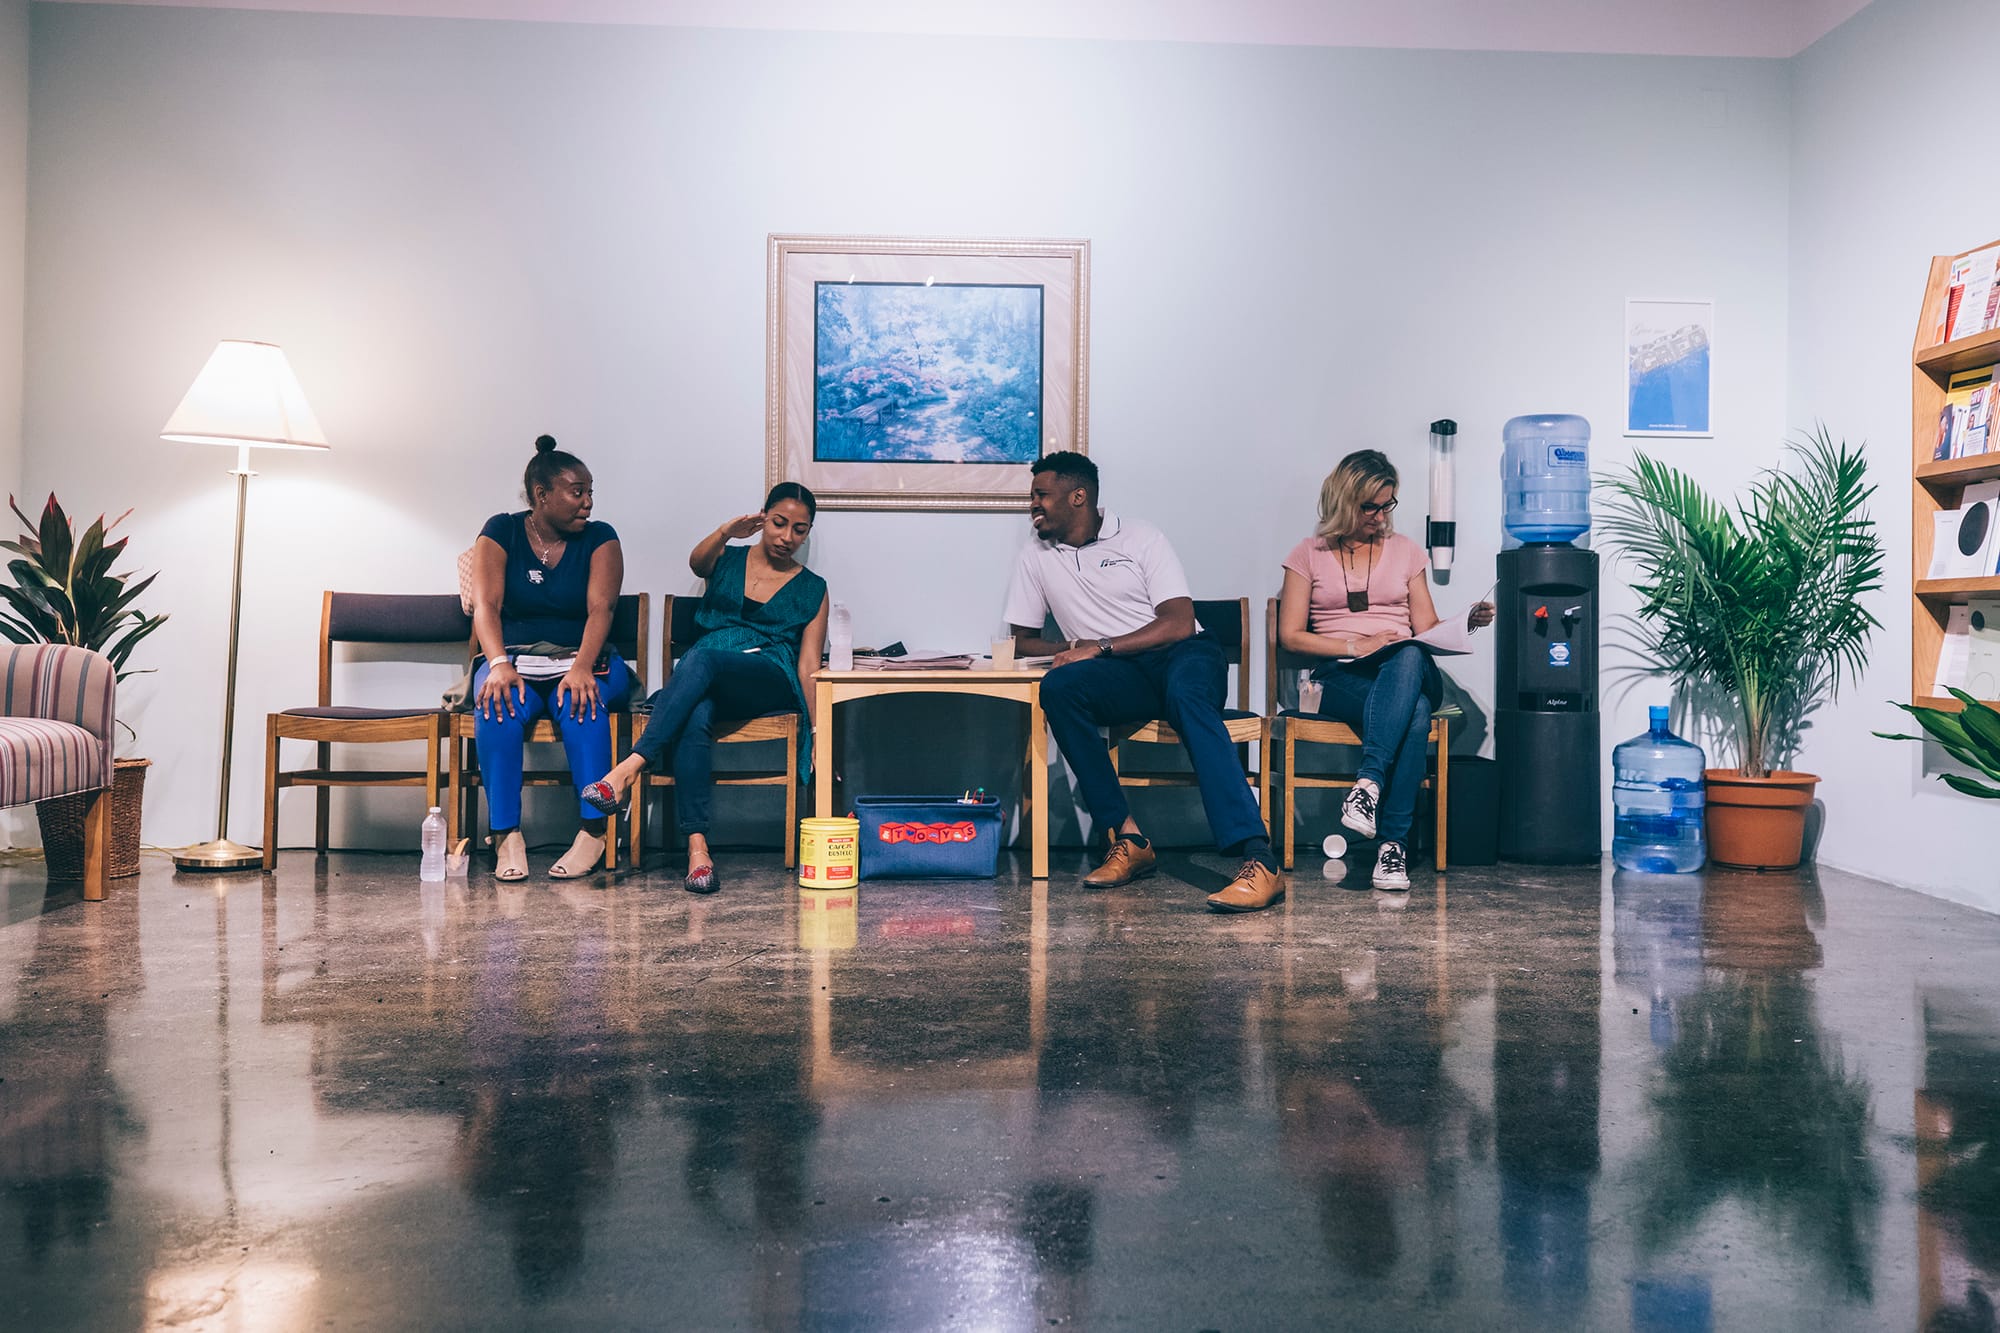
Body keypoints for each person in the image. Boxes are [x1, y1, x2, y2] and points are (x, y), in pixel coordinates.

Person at [1003, 452, 1282, 912]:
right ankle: (1128, 839)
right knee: (1058, 689)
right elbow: (1022, 643)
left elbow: (1177, 622)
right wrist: (1074, 649)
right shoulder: (1036, 556)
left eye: (1041, 496)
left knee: (1189, 699)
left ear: (1079, 497)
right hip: (1124, 674)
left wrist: (1101, 646)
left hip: (1184, 654)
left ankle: (1259, 860)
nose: (1032, 505)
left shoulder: (1140, 537)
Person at [584, 483, 829, 894]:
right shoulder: (729, 559)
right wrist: (726, 531)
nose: (787, 537)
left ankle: (627, 769)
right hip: (711, 672)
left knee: (701, 658)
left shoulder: (813, 587)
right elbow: (698, 563)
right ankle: (698, 851)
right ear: (762, 517)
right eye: (779, 523)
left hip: (768, 675)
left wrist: (820, 730)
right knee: (695, 712)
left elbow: (808, 665)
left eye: (800, 530)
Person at [1279, 449, 1493, 890]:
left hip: (1404, 665)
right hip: (1341, 675)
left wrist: (1465, 622)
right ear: (1343, 500)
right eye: (1369, 507)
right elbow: (1291, 636)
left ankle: (1367, 785)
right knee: (1414, 714)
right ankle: (1392, 847)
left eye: (1387, 505)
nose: (1380, 516)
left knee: (1410, 653)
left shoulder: (1407, 552)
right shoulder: (1308, 554)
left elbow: (1427, 628)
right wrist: (1357, 643)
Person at [470, 434, 632, 881]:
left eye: (590, 492)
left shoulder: (601, 537)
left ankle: (593, 832)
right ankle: (506, 835)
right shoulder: (501, 530)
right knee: (495, 705)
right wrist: (498, 664)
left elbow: (603, 608)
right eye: (577, 492)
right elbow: (487, 606)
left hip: (583, 658)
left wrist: (581, 666)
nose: (588, 503)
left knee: (582, 703)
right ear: (542, 495)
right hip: (515, 660)